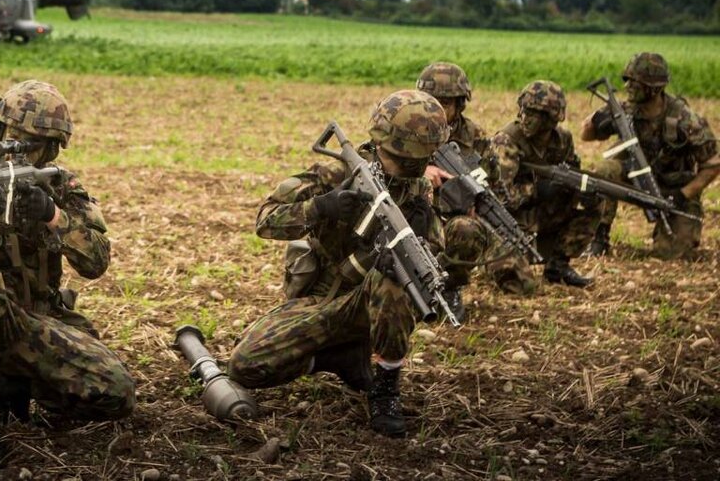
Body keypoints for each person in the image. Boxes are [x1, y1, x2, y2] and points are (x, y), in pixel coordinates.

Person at [0, 80, 135, 464]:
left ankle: (16, 382)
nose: (19, 151)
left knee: (116, 392)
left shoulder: (59, 183)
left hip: (34, 320)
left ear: (53, 148)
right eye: (14, 139)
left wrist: (51, 216)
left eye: (34, 145)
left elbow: (96, 262)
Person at [226, 89, 448, 438]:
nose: (410, 169)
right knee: (245, 366)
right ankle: (338, 359)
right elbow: (265, 220)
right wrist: (320, 207)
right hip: (319, 301)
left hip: (365, 303)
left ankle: (385, 388)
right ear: (378, 144)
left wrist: (421, 239)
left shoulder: (416, 189)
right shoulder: (336, 172)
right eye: (402, 160)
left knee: (397, 279)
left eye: (418, 162)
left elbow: (431, 254)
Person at [418, 63, 538, 317]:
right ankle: (437, 285)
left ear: (460, 104)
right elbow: (375, 164)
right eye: (433, 102)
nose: (437, 110)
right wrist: (421, 174)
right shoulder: (408, 125)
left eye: (446, 104)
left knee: (523, 283)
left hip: (458, 217)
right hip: (415, 214)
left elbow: (491, 181)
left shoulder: (475, 136)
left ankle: (449, 278)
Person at [580, 53, 718, 259]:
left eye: (636, 83)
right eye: (627, 81)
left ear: (655, 89)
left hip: (672, 189)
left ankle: (666, 232)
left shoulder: (684, 119)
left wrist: (684, 194)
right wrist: (596, 121)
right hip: (633, 179)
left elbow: (714, 163)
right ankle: (599, 238)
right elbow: (586, 135)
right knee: (604, 171)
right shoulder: (624, 110)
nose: (628, 87)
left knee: (671, 254)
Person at [490, 81, 596, 288]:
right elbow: (498, 197)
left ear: (552, 118)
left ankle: (558, 266)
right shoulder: (507, 140)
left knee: (594, 198)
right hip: (509, 222)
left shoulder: (562, 139)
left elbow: (574, 173)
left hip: (544, 216)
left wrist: (582, 192)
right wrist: (537, 190)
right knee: (521, 286)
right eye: (524, 110)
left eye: (534, 114)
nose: (525, 118)